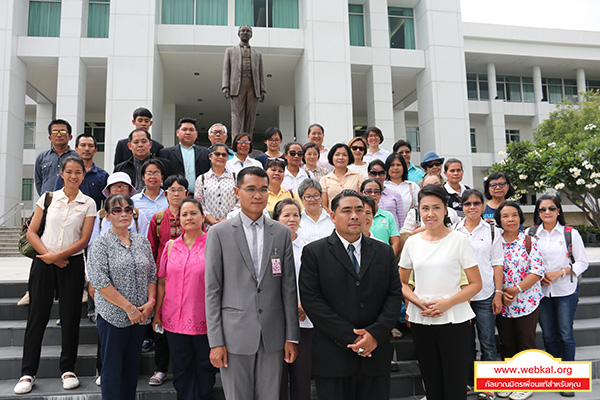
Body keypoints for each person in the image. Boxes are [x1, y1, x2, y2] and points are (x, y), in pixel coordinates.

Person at [205, 166, 300, 400]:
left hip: (273, 333)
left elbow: (288, 287)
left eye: (263, 189)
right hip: (233, 333)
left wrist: (291, 336)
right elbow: (212, 290)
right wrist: (216, 341)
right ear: (237, 192)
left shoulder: (281, 232)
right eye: (251, 189)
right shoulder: (219, 233)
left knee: (270, 395)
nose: (258, 195)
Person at [299, 190, 402, 400]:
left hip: (376, 354)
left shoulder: (383, 252)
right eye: (347, 210)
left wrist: (374, 334)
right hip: (333, 358)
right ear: (333, 217)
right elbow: (312, 301)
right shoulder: (314, 253)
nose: (355, 216)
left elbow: (393, 296)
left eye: (360, 210)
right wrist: (353, 337)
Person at [14, 155, 96, 395]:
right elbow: (31, 232)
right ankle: (28, 372)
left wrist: (61, 257)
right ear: (62, 173)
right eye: (69, 171)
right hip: (43, 262)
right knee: (37, 317)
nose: (73, 176)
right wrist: (49, 256)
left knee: (70, 317)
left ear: (83, 175)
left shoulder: (88, 203)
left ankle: (68, 369)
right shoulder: (48, 198)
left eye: (78, 172)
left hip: (71, 264)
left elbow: (84, 239)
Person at [399, 184, 482, 400]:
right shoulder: (412, 243)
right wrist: (416, 301)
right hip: (422, 320)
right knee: (431, 380)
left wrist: (448, 302)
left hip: (454, 321)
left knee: (455, 382)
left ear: (445, 209)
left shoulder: (459, 240)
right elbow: (402, 283)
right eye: (425, 208)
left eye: (436, 207)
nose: (430, 214)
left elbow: (475, 284)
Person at [86, 194, 157, 400]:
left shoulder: (141, 241)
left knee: (132, 368)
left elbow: (152, 274)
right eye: (117, 210)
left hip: (140, 317)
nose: (124, 213)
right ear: (107, 216)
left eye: (128, 209)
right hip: (113, 318)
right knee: (113, 369)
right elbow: (100, 282)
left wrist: (150, 303)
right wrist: (129, 309)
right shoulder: (101, 244)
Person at [153, 198, 217, 400]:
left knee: (204, 369)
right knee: (181, 371)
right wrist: (158, 313)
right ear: (178, 219)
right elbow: (162, 282)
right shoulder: (171, 247)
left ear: (202, 216)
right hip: (173, 321)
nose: (189, 217)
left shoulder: (213, 245)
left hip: (204, 319)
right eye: (184, 214)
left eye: (193, 213)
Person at [530, 194, 588, 397]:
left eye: (551, 208)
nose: (547, 212)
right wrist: (537, 277)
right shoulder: (531, 234)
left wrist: (560, 272)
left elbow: (582, 263)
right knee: (548, 335)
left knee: (565, 334)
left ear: (558, 211)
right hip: (541, 292)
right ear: (538, 212)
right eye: (543, 209)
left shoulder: (570, 234)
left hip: (565, 291)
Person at [456, 189, 503, 400]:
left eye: (476, 203)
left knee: (487, 342)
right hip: (461, 296)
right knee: (464, 344)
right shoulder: (455, 230)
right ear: (462, 207)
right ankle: (466, 382)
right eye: (467, 204)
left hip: (485, 295)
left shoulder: (492, 231)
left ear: (483, 206)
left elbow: (497, 264)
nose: (472, 207)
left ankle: (488, 385)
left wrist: (498, 293)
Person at [495, 201, 544, 400]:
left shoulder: (529, 241)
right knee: (507, 343)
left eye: (514, 215)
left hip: (527, 302)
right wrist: (502, 293)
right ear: (499, 220)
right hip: (502, 303)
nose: (510, 220)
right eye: (505, 216)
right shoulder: (495, 241)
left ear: (520, 218)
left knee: (526, 343)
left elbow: (537, 271)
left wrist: (515, 290)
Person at [146, 175, 188, 386]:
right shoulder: (158, 218)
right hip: (163, 277)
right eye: (172, 190)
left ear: (186, 194)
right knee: (160, 318)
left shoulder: (191, 215)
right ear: (166, 194)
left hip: (188, 278)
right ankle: (160, 368)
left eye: (180, 190)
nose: (176, 194)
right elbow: (152, 248)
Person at [273, 198, 312, 400]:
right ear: (277, 219)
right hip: (277, 319)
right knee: (277, 377)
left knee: (302, 375)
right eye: (286, 215)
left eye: (295, 214)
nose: (292, 219)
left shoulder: (308, 249)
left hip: (303, 319)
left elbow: (314, 283)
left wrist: (304, 304)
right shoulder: (270, 248)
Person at [222, 25, 266, 138]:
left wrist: (263, 90)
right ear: (238, 33)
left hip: (253, 85)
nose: (245, 33)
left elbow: (261, 73)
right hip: (237, 86)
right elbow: (226, 70)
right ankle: (236, 143)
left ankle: (248, 142)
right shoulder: (230, 51)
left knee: (250, 116)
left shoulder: (257, 54)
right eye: (242, 31)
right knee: (237, 115)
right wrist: (225, 87)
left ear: (251, 35)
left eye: (248, 31)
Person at [90, 172, 149, 246]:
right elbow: (93, 243)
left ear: (129, 190)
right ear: (109, 191)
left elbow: (144, 241)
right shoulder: (100, 215)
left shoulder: (139, 215)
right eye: (114, 187)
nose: (119, 189)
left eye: (124, 186)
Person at [54, 132, 108, 210]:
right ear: (76, 149)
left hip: (92, 219)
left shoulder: (103, 176)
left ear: (95, 150)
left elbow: (106, 203)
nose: (87, 149)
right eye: (83, 145)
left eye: (90, 146)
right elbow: (56, 196)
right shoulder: (66, 173)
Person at [158, 117, 210, 196]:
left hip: (200, 197)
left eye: (191, 130)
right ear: (177, 133)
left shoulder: (206, 153)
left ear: (196, 134)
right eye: (184, 129)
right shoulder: (165, 153)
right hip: (175, 197)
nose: (188, 132)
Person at [195, 143, 239, 229]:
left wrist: (228, 219)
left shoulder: (236, 178)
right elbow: (199, 202)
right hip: (209, 226)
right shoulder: (202, 179)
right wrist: (210, 219)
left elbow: (241, 201)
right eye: (217, 154)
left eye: (224, 155)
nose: (221, 157)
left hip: (231, 226)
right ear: (210, 156)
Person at [34, 119, 76, 196]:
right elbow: (38, 182)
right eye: (55, 132)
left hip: (69, 199)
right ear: (50, 137)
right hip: (48, 200)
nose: (59, 135)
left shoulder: (76, 157)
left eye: (63, 132)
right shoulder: (42, 157)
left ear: (70, 137)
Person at [360, 179, 401, 257]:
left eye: (377, 192)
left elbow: (395, 242)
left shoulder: (388, 216)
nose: (373, 194)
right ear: (361, 193)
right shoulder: (357, 216)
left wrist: (389, 260)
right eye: (368, 191)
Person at [320, 143, 362, 213]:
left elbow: (361, 201)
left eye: (344, 155)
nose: (341, 158)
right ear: (332, 157)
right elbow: (324, 205)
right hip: (333, 220)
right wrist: (335, 217)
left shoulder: (358, 176)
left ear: (349, 158)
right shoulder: (324, 180)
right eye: (337, 155)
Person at [382, 153, 419, 230]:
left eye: (398, 165)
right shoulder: (383, 186)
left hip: (410, 230)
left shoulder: (412, 186)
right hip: (386, 228)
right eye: (392, 165)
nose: (395, 168)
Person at [298, 179, 334, 243]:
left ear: (321, 197)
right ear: (301, 199)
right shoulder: (298, 221)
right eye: (308, 197)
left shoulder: (331, 220)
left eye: (316, 195)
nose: (312, 199)